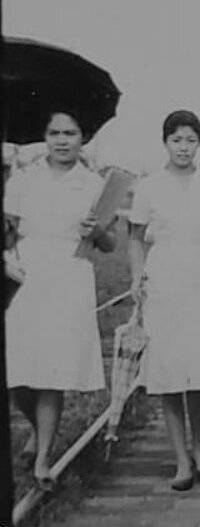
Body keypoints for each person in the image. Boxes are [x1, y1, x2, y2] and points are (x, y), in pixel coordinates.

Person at [5, 110, 115, 490]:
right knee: (18, 370)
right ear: (45, 136)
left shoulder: (93, 183)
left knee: (52, 370)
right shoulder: (23, 179)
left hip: (70, 272)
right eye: (54, 133)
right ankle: (36, 427)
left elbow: (108, 243)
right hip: (26, 273)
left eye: (70, 133)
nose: (62, 140)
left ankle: (43, 458)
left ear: (83, 137)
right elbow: (8, 231)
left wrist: (98, 230)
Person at [128, 110, 200, 491]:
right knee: (168, 368)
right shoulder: (149, 186)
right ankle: (180, 457)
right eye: (177, 140)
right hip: (164, 275)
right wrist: (138, 276)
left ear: (199, 143)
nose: (183, 147)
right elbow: (135, 238)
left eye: (190, 140)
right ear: (165, 143)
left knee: (198, 366)